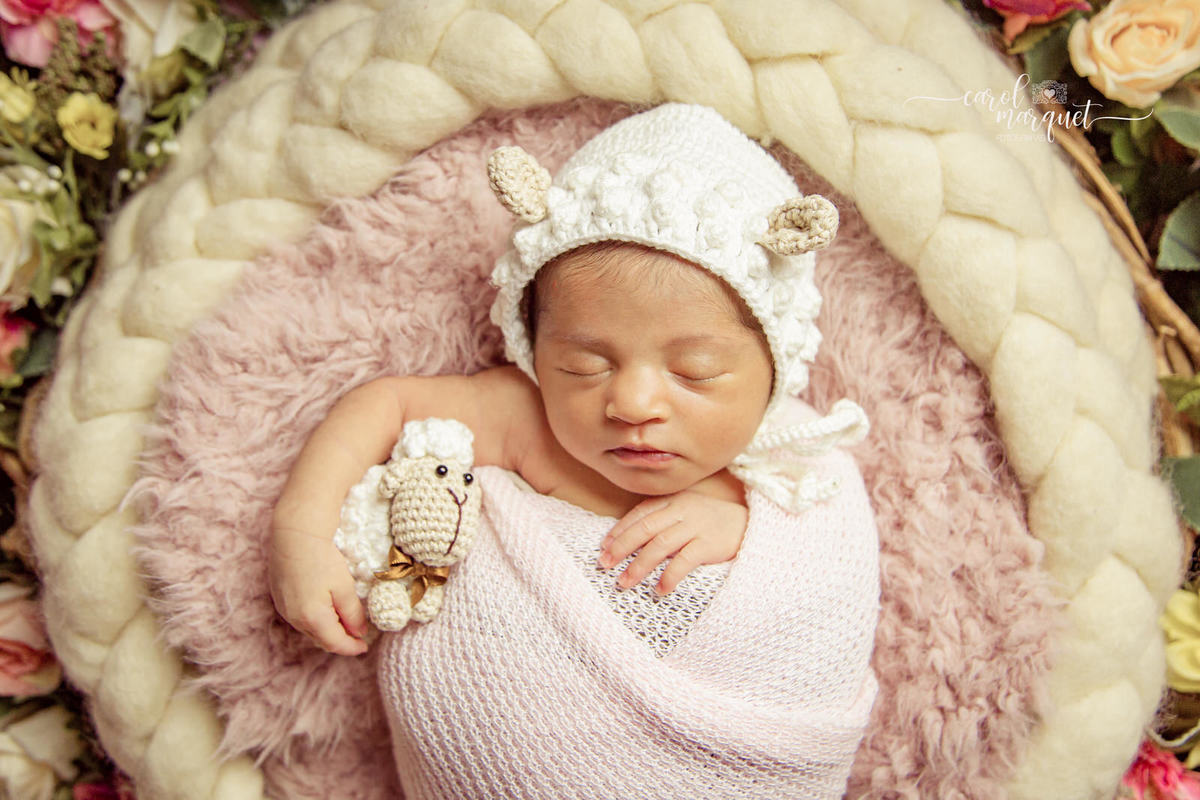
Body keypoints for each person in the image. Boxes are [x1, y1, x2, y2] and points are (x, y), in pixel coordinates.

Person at [269, 103, 880, 798]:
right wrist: (302, 534)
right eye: (585, 366)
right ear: (535, 352)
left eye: (696, 372)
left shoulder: (789, 469)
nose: (634, 404)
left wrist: (740, 522)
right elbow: (386, 404)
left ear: (774, 371)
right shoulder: (524, 417)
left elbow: (817, 585)